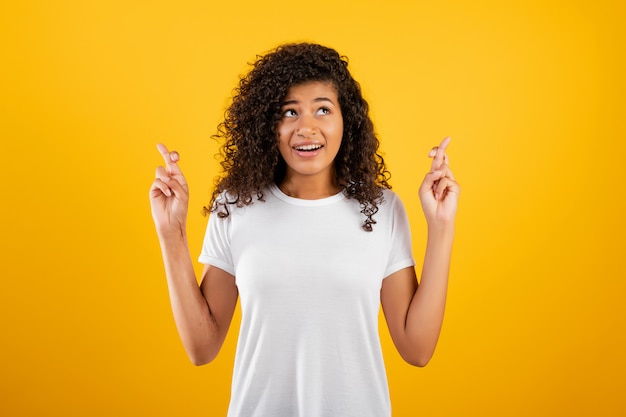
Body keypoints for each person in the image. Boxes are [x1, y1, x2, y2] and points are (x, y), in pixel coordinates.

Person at [150, 42, 460, 417]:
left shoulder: (381, 209)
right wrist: (172, 234)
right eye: (290, 112)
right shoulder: (236, 207)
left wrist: (441, 226)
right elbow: (201, 349)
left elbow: (417, 349)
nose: (306, 127)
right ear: (269, 125)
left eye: (323, 110)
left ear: (347, 120)